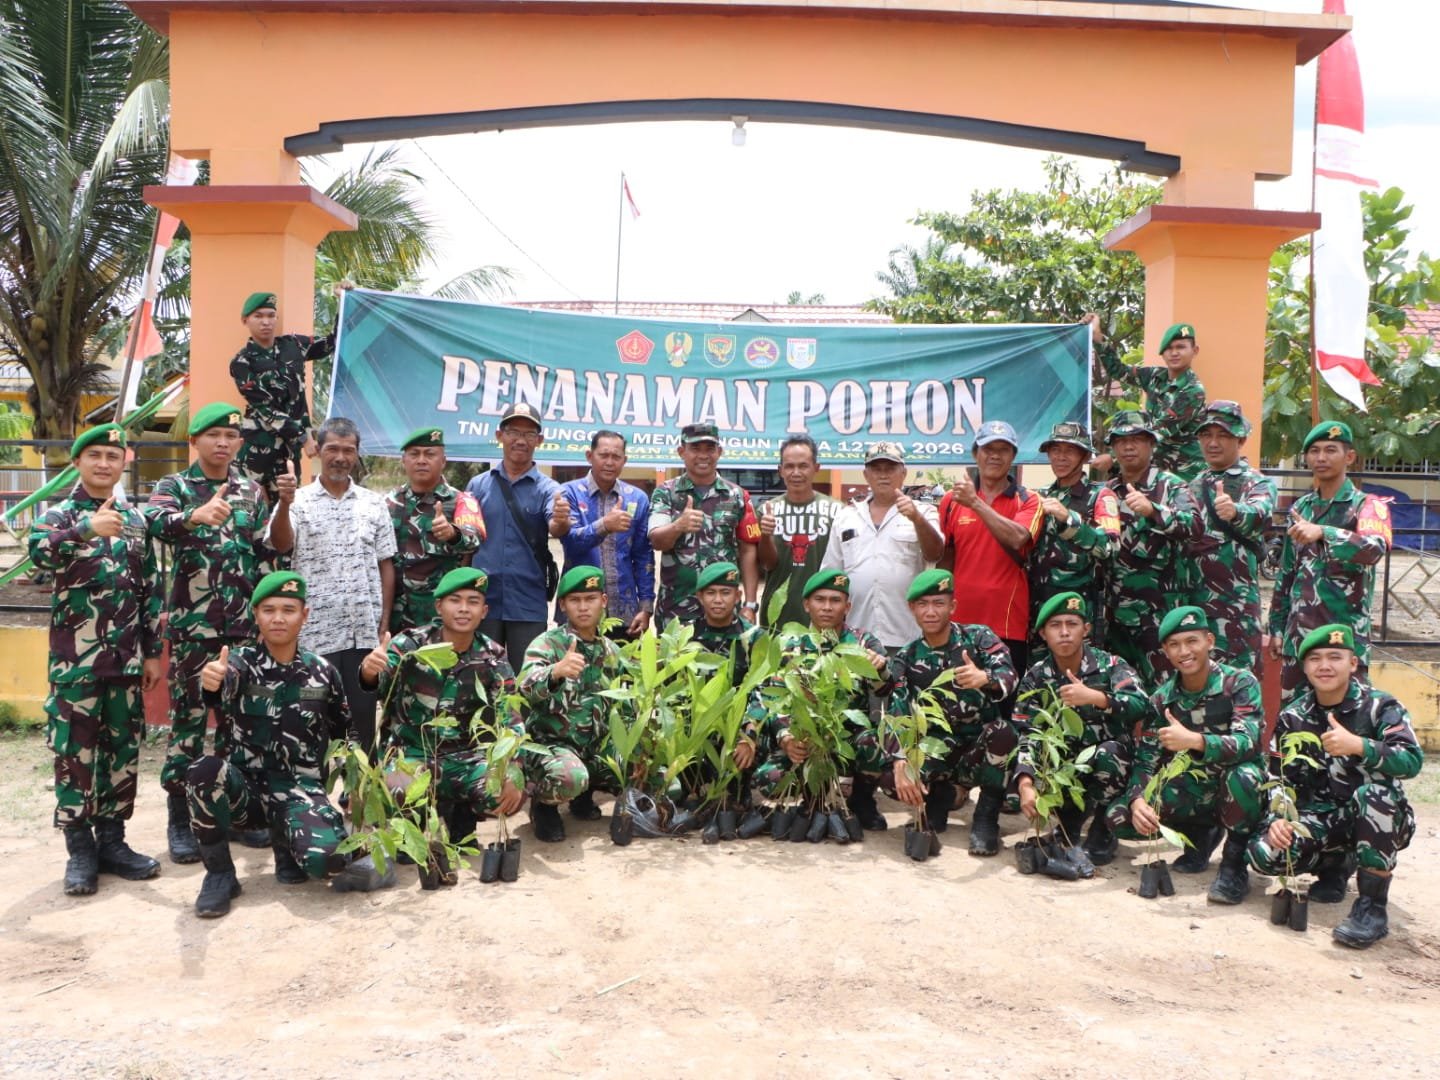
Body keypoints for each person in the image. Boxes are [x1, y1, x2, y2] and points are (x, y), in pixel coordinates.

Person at [188, 571, 394, 919]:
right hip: (246, 792)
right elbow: (220, 686)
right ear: (256, 615)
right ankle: (220, 874)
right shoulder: (239, 664)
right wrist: (212, 682)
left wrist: (354, 791)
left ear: (305, 615)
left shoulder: (323, 672)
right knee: (203, 771)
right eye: (269, 610)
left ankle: (288, 844)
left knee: (328, 862)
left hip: (300, 791)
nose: (278, 618)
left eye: (288, 609)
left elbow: (346, 737)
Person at [145, 402, 287, 863]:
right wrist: (193, 516)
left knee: (238, 722)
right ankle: (180, 818)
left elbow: (264, 552)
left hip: (243, 629)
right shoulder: (174, 486)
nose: (222, 443)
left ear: (239, 443)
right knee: (188, 722)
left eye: (230, 436)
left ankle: (235, 813)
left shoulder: (251, 490)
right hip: (195, 629)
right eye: (213, 435)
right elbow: (154, 524)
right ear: (195, 441)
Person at [28, 423, 164, 896]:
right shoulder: (58, 515)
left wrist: (153, 653)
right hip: (76, 664)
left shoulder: (136, 520)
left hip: (126, 662)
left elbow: (151, 589)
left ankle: (113, 841)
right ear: (77, 462)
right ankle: (80, 849)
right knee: (74, 753)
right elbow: (38, 555)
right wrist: (85, 529)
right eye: (95, 455)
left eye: (113, 456)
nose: (105, 463)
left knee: (122, 752)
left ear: (123, 463)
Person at [359, 568, 588, 844]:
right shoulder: (410, 645)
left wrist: (512, 768)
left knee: (508, 794)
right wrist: (369, 671)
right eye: (455, 600)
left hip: (467, 758)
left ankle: (463, 813)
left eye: (473, 601)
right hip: (413, 754)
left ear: (484, 611)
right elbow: (379, 684)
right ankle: (415, 823)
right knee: (397, 792)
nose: (464, 609)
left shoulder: (493, 656)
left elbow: (510, 718)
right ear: (439, 606)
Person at [1246, 625, 1423, 949]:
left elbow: (1411, 760)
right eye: (1315, 659)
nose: (1324, 666)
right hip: (1322, 819)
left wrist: (1360, 746)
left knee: (1374, 796)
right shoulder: (1293, 717)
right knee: (1264, 854)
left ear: (1353, 663)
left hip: (1377, 819)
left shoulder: (1381, 707)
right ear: (1305, 667)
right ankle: (1335, 867)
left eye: (1334, 657)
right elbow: (1279, 778)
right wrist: (1279, 819)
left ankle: (1371, 909)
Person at [1106, 606, 1265, 905]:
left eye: (1192, 641)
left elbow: (1248, 742)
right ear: (1166, 651)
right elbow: (1146, 759)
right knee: (1120, 817)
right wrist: (1138, 800)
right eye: (1175, 645)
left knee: (1244, 777)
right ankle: (1200, 835)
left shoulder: (1239, 683)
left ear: (1209, 641)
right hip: (1192, 789)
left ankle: (1234, 865)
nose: (1184, 651)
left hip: (1235, 786)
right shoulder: (1162, 699)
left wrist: (1195, 740)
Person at [273, 416, 395, 749]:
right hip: (314, 636)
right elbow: (281, 544)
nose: (340, 457)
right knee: (314, 727)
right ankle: (316, 783)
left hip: (362, 635)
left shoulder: (374, 503)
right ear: (319, 451)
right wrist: (283, 504)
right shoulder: (297, 501)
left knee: (361, 729)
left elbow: (385, 564)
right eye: (333, 449)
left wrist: (383, 622)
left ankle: (358, 785)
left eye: (348, 450)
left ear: (357, 454)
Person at [884, 569, 1019, 854]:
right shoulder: (906, 657)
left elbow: (1010, 677)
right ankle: (939, 797)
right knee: (890, 777)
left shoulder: (978, 638)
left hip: (978, 749)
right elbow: (897, 714)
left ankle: (986, 817)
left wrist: (985, 678)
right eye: (923, 604)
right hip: (937, 749)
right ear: (912, 608)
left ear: (953, 606)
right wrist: (900, 762)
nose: (931, 612)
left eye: (939, 603)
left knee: (1004, 733)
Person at [1011, 593, 1147, 870]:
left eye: (1072, 624)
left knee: (1111, 753)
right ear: (1043, 634)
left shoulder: (1111, 666)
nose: (1064, 632)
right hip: (1064, 768)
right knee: (1037, 758)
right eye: (1055, 625)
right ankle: (1068, 824)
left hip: (1107, 766)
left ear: (1085, 630)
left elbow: (1141, 704)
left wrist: (1098, 698)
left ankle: (1102, 830)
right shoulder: (1036, 677)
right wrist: (1025, 784)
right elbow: (1028, 733)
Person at [752, 569, 892, 828]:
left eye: (835, 600)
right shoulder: (788, 645)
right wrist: (787, 738)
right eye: (820, 600)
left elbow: (885, 691)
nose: (827, 607)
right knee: (769, 780)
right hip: (806, 738)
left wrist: (880, 669)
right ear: (807, 605)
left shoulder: (862, 642)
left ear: (847, 607)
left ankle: (861, 799)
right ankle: (813, 796)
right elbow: (774, 698)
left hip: (846, 739)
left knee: (874, 743)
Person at [1267, 420, 1391, 700]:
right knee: (1296, 720)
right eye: (1314, 451)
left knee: (1347, 717)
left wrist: (1325, 532)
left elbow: (1374, 549)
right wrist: (1276, 626)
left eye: (1330, 450)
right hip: (1299, 642)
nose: (1321, 458)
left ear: (1349, 456)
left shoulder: (1368, 505)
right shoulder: (1301, 507)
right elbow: (1287, 573)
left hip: (1343, 641)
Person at [519, 566, 630, 842]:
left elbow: (627, 705)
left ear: (603, 601)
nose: (583, 607)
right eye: (575, 600)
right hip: (552, 748)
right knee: (571, 777)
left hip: (595, 749)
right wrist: (555, 672)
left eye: (590, 599)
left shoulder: (612, 652)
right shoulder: (548, 644)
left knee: (652, 773)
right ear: (563, 605)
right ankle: (543, 806)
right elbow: (525, 688)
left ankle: (584, 796)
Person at [466, 402, 569, 672]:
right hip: (483, 600)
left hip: (527, 600)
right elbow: (467, 542)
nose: (520, 440)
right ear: (499, 435)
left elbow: (556, 527)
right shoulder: (478, 485)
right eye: (513, 432)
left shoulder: (549, 489)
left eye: (529, 434)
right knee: (480, 675)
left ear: (539, 440)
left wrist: (561, 520)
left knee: (529, 676)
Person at [1102, 410, 1201, 684]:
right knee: (1119, 690)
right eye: (1121, 441)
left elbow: (1194, 527)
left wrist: (1153, 511)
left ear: (1151, 444)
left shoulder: (1170, 485)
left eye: (1137, 440)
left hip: (1158, 617)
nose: (1128, 447)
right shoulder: (1107, 491)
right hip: (1115, 617)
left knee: (1163, 690)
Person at [937, 420, 1043, 673]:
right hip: (959, 622)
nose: (995, 455)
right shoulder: (951, 500)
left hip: (1007, 624)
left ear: (1013, 456)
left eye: (1003, 449)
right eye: (988, 449)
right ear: (976, 454)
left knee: (1004, 693)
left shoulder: (1029, 500)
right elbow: (945, 559)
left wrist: (975, 503)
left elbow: (1018, 538)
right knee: (957, 694)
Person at [818, 442, 944, 651]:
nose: (883, 475)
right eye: (876, 469)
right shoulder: (846, 516)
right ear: (866, 475)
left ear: (903, 473)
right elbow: (830, 575)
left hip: (907, 634)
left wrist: (917, 519)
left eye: (890, 468)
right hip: (856, 636)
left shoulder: (924, 511)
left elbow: (935, 554)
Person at [1185, 401, 1277, 673]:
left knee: (1239, 684)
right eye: (1206, 435)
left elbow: (1261, 512)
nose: (1213, 443)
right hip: (1195, 607)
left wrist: (1236, 511)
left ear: (1241, 439)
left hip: (1235, 610)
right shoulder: (1193, 483)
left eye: (1223, 435)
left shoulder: (1255, 482)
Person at [648, 422, 762, 626]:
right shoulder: (665, 493)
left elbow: (748, 550)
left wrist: (750, 604)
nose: (703, 455)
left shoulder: (737, 495)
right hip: (676, 610)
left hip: (725, 611)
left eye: (709, 448)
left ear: (719, 452)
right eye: (695, 448)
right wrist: (678, 526)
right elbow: (657, 541)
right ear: (681, 452)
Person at [229, 291, 335, 502]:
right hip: (257, 447)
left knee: (287, 507)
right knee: (245, 505)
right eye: (258, 316)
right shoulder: (242, 362)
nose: (266, 322)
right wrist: (304, 436)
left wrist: (344, 301)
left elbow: (330, 344)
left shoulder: (293, 345)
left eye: (271, 315)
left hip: (288, 450)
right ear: (245, 320)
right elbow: (265, 408)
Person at [1028, 421, 1120, 648]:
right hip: (1039, 606)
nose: (1061, 457)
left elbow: (1110, 548)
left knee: (1081, 667)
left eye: (1070, 451)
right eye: (1055, 450)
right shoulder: (1039, 496)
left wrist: (1069, 519)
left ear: (1085, 456)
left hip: (1078, 607)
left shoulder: (1100, 496)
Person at [386, 426, 484, 635]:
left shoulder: (460, 500)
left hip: (439, 615)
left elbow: (475, 538)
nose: (421, 460)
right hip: (394, 614)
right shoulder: (389, 502)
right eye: (414, 454)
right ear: (404, 460)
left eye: (429, 454)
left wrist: (453, 534)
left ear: (443, 461)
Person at [557, 430, 654, 640]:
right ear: (589, 456)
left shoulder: (637, 498)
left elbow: (644, 556)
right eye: (603, 455)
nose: (609, 462)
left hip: (626, 612)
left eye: (616, 457)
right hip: (578, 606)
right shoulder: (568, 493)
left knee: (624, 661)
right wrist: (604, 525)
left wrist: (646, 607)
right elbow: (570, 541)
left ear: (624, 460)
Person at [1089, 314, 1207, 482]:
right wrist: (1098, 337)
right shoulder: (1154, 376)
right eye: (1169, 348)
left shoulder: (1193, 390)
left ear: (1194, 351)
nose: (1174, 353)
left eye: (1181, 347)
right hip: (1153, 470)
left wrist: (1114, 457)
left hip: (1185, 475)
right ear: (1163, 353)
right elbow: (1118, 370)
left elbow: (1158, 431)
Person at [756, 435, 842, 629]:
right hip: (776, 615)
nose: (796, 473)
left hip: (824, 617)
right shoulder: (766, 511)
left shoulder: (838, 512)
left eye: (803, 466)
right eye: (789, 466)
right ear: (780, 470)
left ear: (816, 468)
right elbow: (767, 564)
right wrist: (765, 535)